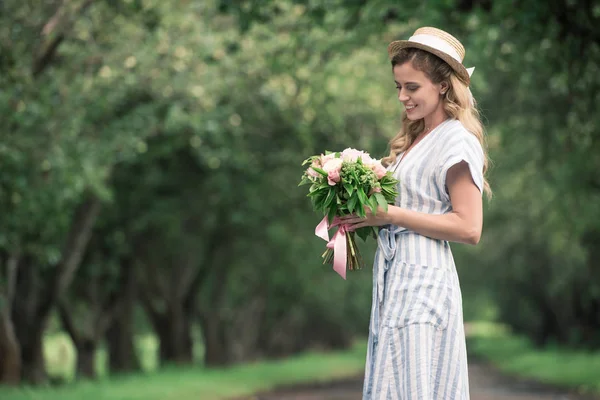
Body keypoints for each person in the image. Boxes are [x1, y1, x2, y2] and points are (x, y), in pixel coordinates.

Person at [341, 27, 491, 399]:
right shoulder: (416, 139)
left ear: (442, 85)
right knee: (396, 382)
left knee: (419, 385)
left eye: (412, 87)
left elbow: (469, 227)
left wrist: (389, 214)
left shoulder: (456, 140)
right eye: (398, 87)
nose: (403, 97)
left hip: (425, 281)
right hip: (397, 278)